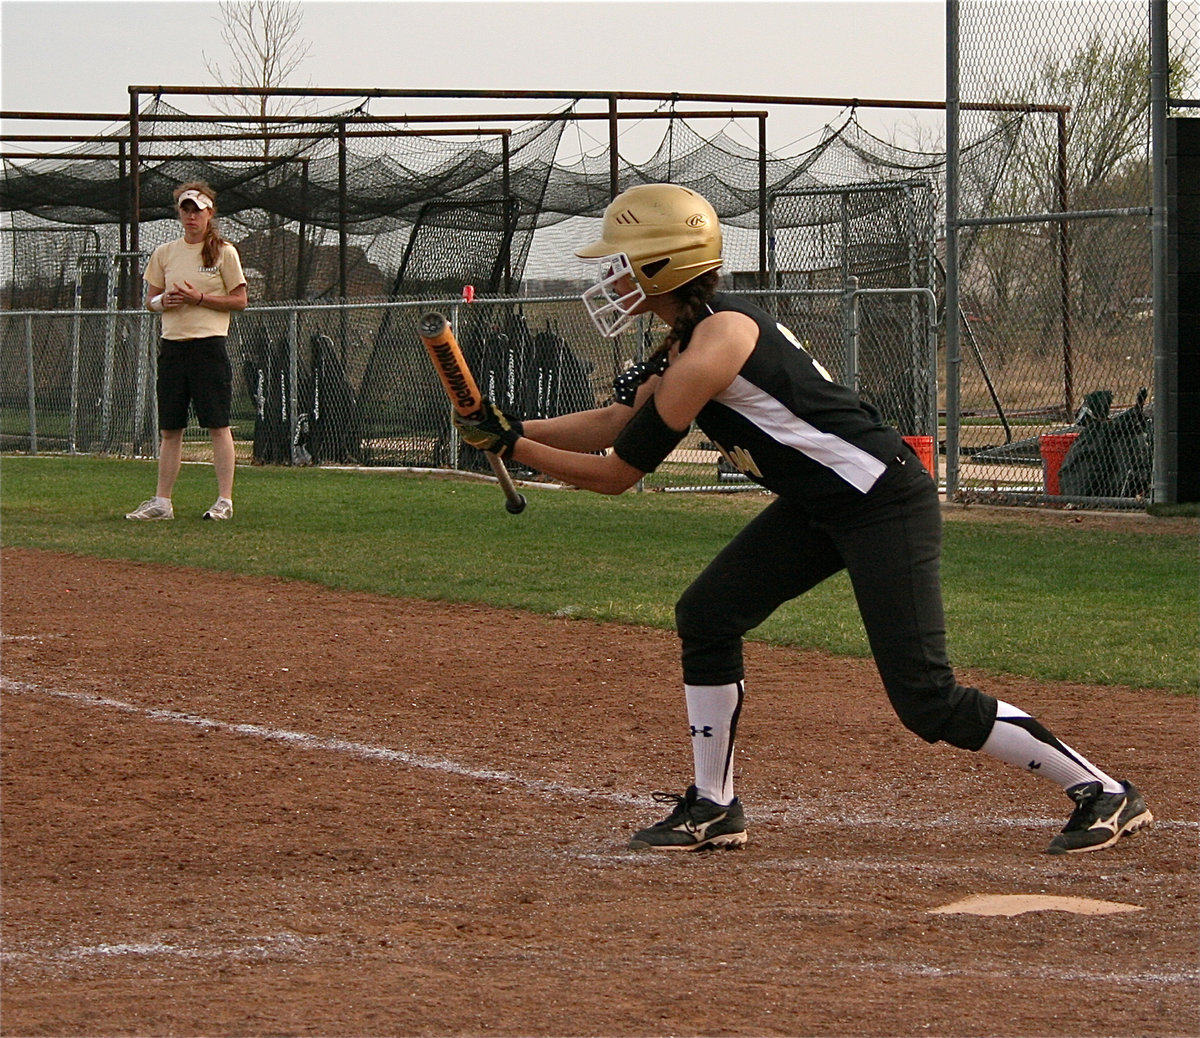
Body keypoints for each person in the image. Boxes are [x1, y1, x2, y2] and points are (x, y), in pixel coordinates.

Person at [453, 183, 1154, 857]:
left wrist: (515, 448)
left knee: (926, 699)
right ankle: (713, 804)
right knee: (708, 613)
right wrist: (509, 424)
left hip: (881, 500)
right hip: (824, 504)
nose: (614, 275)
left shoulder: (712, 345)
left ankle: (1102, 790)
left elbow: (618, 473)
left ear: (665, 266)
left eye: (626, 261)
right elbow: (616, 420)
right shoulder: (687, 338)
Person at [126, 181, 248, 522]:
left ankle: (224, 500)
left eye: (198, 210)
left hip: (209, 347)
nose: (191, 216)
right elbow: (150, 301)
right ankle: (162, 502)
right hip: (173, 348)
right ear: (179, 213)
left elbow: (239, 300)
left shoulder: (225, 252)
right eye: (186, 209)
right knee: (170, 429)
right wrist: (162, 301)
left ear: (210, 213)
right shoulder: (165, 253)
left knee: (217, 425)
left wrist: (200, 299)